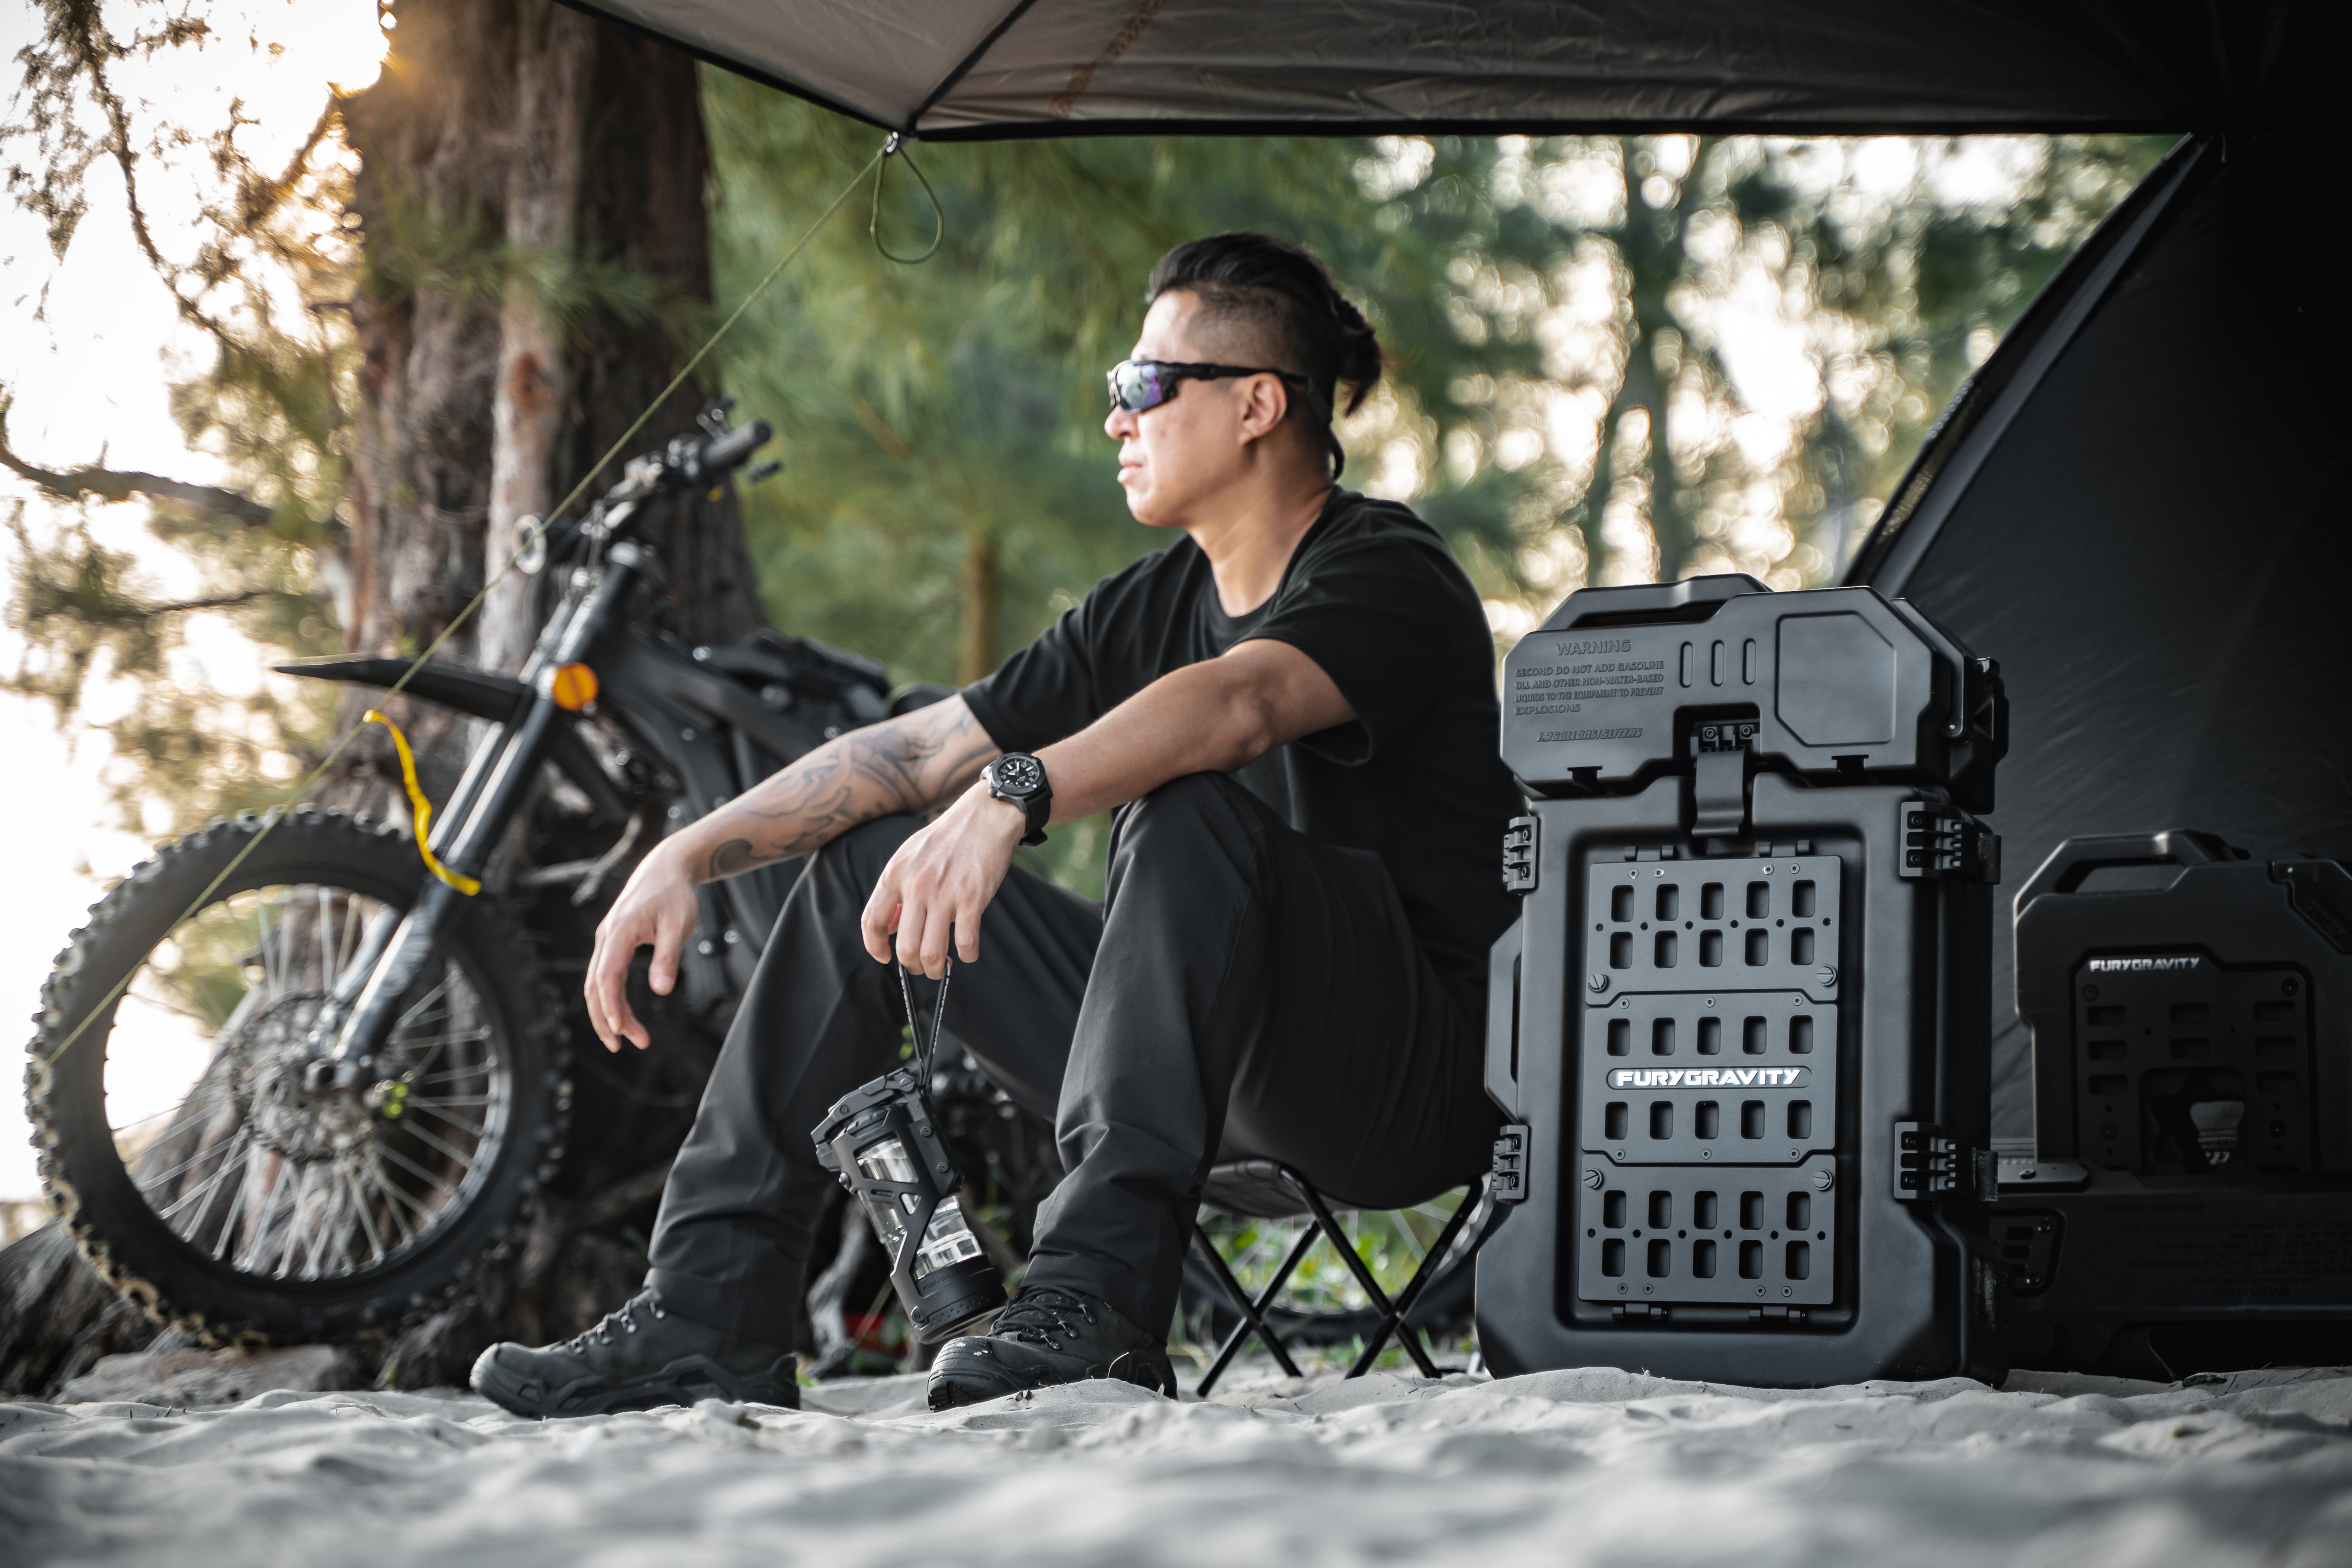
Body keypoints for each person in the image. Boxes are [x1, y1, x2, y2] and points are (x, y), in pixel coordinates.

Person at [470, 232, 1523, 1417]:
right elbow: (921, 751)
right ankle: (707, 1312)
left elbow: (1243, 704)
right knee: (871, 860)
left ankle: (1094, 1303)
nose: (1117, 416)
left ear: (1257, 406)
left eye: (1144, 383)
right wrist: (687, 854)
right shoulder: (1148, 605)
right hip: (1194, 1067)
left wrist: (1014, 793)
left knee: (1187, 809)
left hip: (1404, 1079)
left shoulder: (1388, 570)